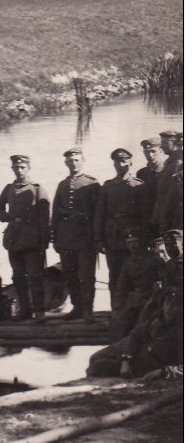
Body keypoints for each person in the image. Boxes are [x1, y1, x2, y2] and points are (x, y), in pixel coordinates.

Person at [0, 154, 51, 322]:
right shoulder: (9, 188)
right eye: (16, 167)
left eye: (22, 167)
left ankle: (39, 312)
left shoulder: (38, 189)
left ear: (28, 168)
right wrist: (5, 217)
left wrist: (44, 241)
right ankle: (24, 310)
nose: (19, 170)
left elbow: (45, 218)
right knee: (17, 276)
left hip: (32, 240)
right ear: (12, 168)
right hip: (14, 239)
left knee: (35, 276)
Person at [51, 147, 101, 322]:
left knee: (87, 276)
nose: (74, 164)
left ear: (83, 161)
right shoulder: (62, 185)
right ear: (66, 163)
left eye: (77, 160)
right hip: (66, 238)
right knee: (69, 275)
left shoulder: (92, 184)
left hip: (86, 238)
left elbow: (99, 213)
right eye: (70, 161)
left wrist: (97, 237)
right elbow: (55, 213)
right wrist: (55, 238)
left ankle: (88, 310)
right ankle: (77, 308)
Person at [94, 148, 148, 307]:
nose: (121, 164)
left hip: (133, 238)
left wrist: (144, 238)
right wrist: (98, 238)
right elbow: (100, 214)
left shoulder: (139, 186)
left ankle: (132, 311)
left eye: (124, 161)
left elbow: (145, 216)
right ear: (114, 164)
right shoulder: (107, 187)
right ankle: (116, 310)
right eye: (118, 162)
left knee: (134, 274)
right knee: (115, 276)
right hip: (112, 238)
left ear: (130, 163)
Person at [86, 292, 182, 378]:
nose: (169, 309)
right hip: (136, 363)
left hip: (150, 371)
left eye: (174, 306)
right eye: (167, 304)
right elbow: (137, 334)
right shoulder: (158, 320)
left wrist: (162, 372)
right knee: (96, 363)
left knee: (97, 367)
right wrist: (126, 360)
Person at [107, 230, 161, 341]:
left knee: (143, 324)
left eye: (135, 242)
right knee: (118, 323)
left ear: (141, 242)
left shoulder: (155, 260)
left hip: (152, 299)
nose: (132, 246)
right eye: (129, 242)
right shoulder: (128, 263)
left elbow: (163, 281)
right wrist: (117, 307)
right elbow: (121, 288)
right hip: (135, 300)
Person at [150, 130, 182, 234]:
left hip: (169, 215)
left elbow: (172, 195)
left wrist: (165, 219)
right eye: (161, 143)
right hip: (162, 213)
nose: (162, 147)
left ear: (175, 145)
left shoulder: (177, 164)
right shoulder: (170, 162)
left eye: (165, 143)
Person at [136, 136, 166, 234]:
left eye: (153, 151)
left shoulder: (168, 171)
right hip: (146, 219)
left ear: (161, 150)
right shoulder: (141, 173)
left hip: (164, 218)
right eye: (147, 152)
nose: (150, 155)